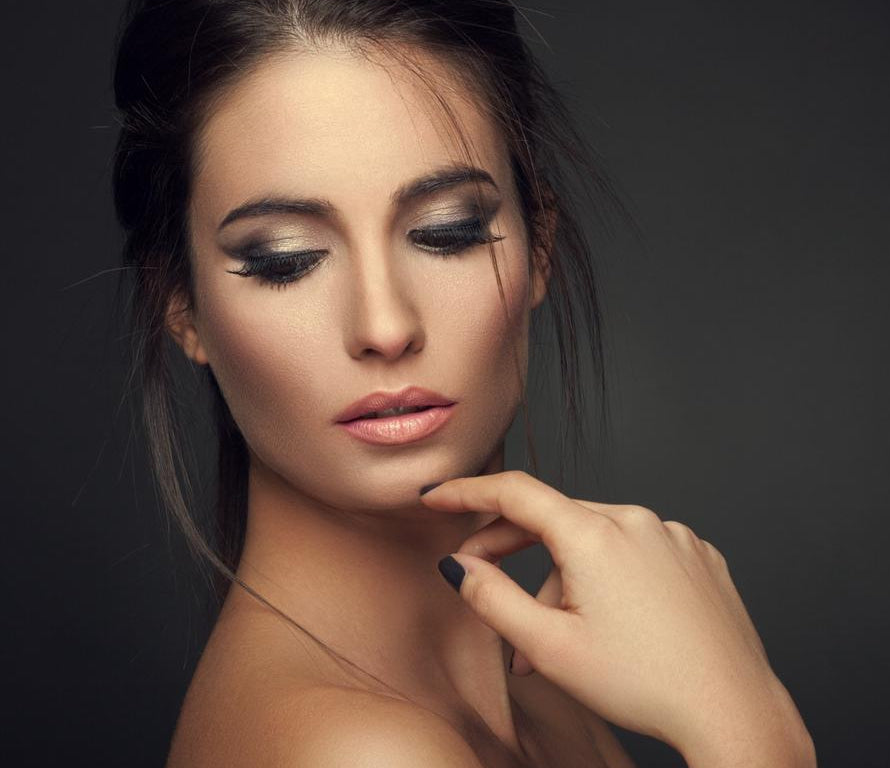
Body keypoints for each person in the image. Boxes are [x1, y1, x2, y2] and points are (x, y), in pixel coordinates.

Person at [111, 1, 816, 765]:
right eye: (286, 259)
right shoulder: (358, 751)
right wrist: (750, 728)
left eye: (446, 232)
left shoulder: (546, 691)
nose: (384, 325)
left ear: (538, 243)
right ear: (181, 305)